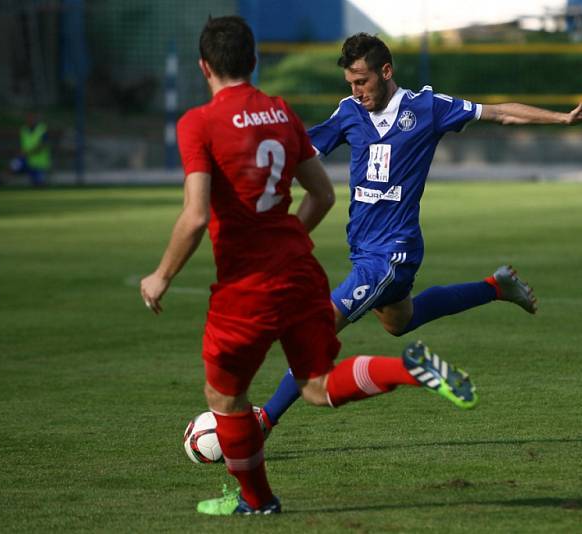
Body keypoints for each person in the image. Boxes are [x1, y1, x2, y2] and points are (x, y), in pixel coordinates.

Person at [140, 16, 477, 517]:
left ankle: (258, 501)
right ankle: (406, 369)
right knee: (315, 383)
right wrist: (288, 239)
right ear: (254, 61)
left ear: (203, 67)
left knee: (224, 394)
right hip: (298, 269)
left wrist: (160, 276)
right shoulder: (280, 114)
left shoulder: (198, 123)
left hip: (246, 284)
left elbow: (193, 216)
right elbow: (322, 195)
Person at [258, 33, 582, 433]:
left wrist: (560, 118)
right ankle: (497, 286)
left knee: (313, 332)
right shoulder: (349, 112)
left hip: (393, 253)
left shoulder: (427, 108)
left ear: (385, 72)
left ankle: (263, 421)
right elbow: (302, 151)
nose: (356, 92)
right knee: (399, 322)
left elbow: (498, 114)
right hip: (363, 249)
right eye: (350, 85)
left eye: (362, 82)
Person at [10, 112, 51, 187]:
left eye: (32, 118)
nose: (30, 120)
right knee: (14, 164)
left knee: (39, 184)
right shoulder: (24, 130)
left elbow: (42, 146)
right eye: (28, 119)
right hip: (26, 161)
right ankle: (3, 182)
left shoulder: (42, 129)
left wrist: (27, 153)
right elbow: (22, 145)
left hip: (39, 164)